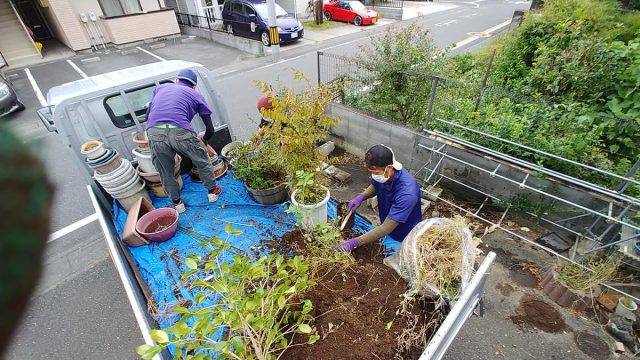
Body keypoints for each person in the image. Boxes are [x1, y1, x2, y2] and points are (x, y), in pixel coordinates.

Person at [145, 69, 222, 213]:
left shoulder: (160, 88)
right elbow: (210, 129)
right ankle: (212, 192)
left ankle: (177, 203)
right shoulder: (196, 95)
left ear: (177, 80)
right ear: (194, 85)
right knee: (201, 160)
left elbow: (147, 116)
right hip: (180, 130)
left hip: (154, 132)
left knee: (164, 170)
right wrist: (203, 141)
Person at [339, 144, 422, 253]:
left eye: (375, 172)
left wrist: (355, 242)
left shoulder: (407, 193)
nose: (374, 176)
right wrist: (361, 197)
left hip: (403, 232)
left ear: (390, 168)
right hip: (387, 221)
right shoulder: (385, 176)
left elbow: (387, 227)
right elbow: (375, 185)